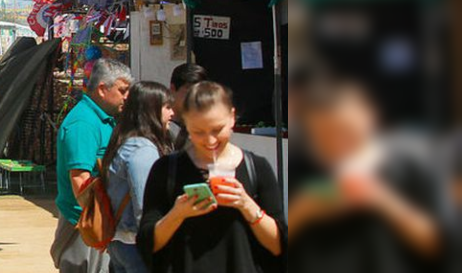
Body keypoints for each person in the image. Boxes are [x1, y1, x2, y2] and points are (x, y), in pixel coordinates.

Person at [287, 76, 442, 273]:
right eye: (324, 136)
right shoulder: (306, 170)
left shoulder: (412, 160)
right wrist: (302, 213)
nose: (337, 144)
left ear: (369, 116)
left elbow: (440, 244)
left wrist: (384, 202)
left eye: (344, 131)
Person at [137, 81, 285, 273]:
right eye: (198, 132)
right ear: (186, 125)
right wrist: (177, 214)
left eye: (217, 129)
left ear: (232, 117)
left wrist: (246, 205)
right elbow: (148, 244)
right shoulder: (166, 169)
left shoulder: (256, 168)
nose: (210, 140)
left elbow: (279, 245)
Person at [52, 58, 134, 273]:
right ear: (102, 89)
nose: (127, 97)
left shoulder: (103, 119)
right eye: (123, 90)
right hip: (85, 223)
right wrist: (96, 223)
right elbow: (80, 179)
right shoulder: (84, 124)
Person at [101, 81, 174, 273]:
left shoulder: (124, 141)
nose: (172, 114)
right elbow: (145, 205)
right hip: (135, 246)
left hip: (121, 243)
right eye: (167, 107)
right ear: (151, 110)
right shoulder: (141, 149)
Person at [167, 63, 207, 148]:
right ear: (173, 89)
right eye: (189, 92)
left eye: (199, 92)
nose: (194, 98)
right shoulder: (162, 125)